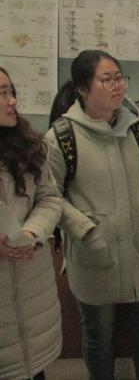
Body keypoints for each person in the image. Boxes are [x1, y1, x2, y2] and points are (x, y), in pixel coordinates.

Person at [45, 50, 139, 380]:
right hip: (93, 254)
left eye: (120, 78)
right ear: (83, 89)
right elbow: (49, 197)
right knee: (99, 337)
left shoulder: (137, 129)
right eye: (107, 79)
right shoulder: (61, 137)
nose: (118, 86)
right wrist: (86, 230)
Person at [0, 68, 63, 380]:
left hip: (30, 289)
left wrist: (31, 232)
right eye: (2, 94)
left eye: (12, 92)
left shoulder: (30, 146)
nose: (12, 101)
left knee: (31, 367)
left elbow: (50, 198)